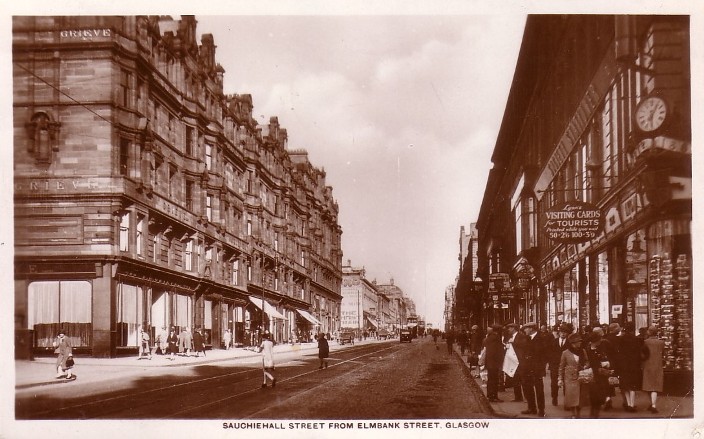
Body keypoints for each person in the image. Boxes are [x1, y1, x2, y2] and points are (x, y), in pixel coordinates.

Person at [517, 322, 546, 417]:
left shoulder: (541, 338)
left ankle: (541, 409)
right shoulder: (527, 338)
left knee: (539, 389)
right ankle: (531, 407)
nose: (525, 330)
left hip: (537, 368)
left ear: (531, 329)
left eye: (526, 328)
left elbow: (543, 354)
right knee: (527, 388)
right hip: (527, 368)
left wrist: (542, 368)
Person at [584, 329, 613, 418]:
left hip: (600, 376)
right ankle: (594, 413)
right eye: (599, 340)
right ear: (594, 341)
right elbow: (589, 362)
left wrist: (606, 363)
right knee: (594, 396)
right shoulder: (588, 350)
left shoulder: (598, 348)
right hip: (593, 376)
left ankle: (595, 412)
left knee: (599, 396)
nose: (600, 341)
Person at [558, 333, 586, 418]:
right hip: (569, 377)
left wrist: (585, 366)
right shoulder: (565, 353)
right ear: (573, 343)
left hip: (581, 376)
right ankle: (573, 413)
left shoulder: (583, 351)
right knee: (572, 396)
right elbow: (561, 366)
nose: (580, 343)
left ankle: (578, 413)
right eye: (578, 342)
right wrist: (560, 378)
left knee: (580, 397)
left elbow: (587, 361)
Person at [618, 322, 644, 412]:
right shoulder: (637, 340)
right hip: (634, 365)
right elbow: (640, 353)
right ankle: (632, 405)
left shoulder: (621, 339)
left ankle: (628, 404)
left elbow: (619, 353)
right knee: (633, 386)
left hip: (623, 365)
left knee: (625, 386)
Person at [641, 326, 665, 413]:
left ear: (649, 332)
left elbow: (643, 354)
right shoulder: (661, 343)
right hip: (658, 365)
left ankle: (652, 404)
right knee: (655, 386)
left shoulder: (645, 342)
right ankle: (653, 404)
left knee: (648, 386)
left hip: (647, 365)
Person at [548, 323, 571, 406]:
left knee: (566, 383)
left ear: (567, 333)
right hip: (555, 365)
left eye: (565, 332)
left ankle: (567, 400)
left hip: (567, 365)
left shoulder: (569, 342)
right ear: (559, 333)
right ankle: (554, 398)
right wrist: (551, 363)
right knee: (554, 383)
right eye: (561, 332)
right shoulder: (554, 341)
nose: (563, 334)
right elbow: (549, 353)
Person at [483, 324, 505, 402]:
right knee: (494, 380)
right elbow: (497, 351)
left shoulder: (489, 337)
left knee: (490, 379)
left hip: (490, 362)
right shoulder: (496, 338)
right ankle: (493, 397)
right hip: (494, 362)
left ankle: (490, 395)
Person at [504, 323, 525, 402]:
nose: (508, 330)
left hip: (520, 361)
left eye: (509, 328)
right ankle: (518, 397)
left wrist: (513, 343)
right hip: (514, 361)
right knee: (515, 379)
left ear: (513, 328)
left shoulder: (520, 336)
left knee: (522, 379)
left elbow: (523, 346)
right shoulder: (512, 337)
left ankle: (526, 397)